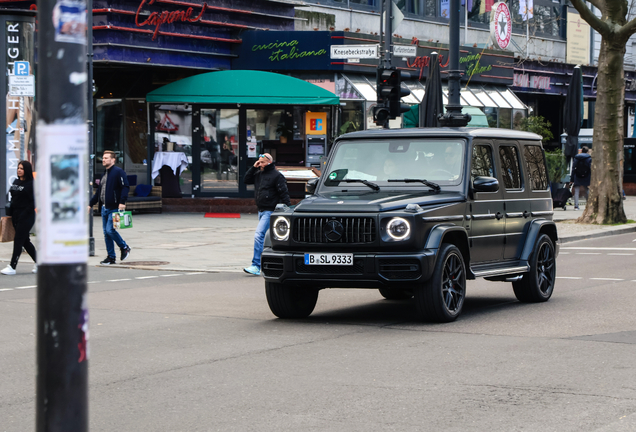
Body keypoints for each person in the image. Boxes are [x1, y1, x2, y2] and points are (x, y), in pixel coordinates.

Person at [243, 153, 291, 276]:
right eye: (259, 162)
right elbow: (246, 180)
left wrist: (287, 210)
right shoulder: (258, 174)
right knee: (267, 238)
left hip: (270, 211)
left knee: (259, 235)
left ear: (269, 162)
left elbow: (284, 194)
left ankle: (256, 265)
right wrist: (253, 167)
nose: (260, 164)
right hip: (261, 210)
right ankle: (268, 264)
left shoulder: (277, 176)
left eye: (262, 162)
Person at [89, 151, 131, 265]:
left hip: (115, 207)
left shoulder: (118, 172)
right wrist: (90, 204)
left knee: (110, 230)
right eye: (103, 158)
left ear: (113, 160)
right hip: (104, 208)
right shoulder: (104, 174)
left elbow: (125, 186)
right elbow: (99, 192)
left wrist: (122, 202)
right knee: (106, 233)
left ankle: (124, 247)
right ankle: (111, 257)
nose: (103, 160)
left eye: (106, 158)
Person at [1, 161, 37, 275]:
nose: (19, 170)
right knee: (25, 241)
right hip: (15, 215)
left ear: (26, 170)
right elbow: (13, 197)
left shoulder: (31, 184)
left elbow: (34, 202)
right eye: (18, 168)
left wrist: (24, 213)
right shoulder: (16, 181)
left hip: (27, 216)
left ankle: (12, 266)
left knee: (18, 240)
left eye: (21, 168)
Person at [572, 145, 592, 210]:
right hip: (587, 176)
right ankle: (589, 205)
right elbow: (591, 168)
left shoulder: (576, 158)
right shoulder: (589, 158)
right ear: (587, 151)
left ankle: (576, 206)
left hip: (577, 176)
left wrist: (572, 178)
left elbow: (573, 168)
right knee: (587, 190)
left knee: (576, 191)